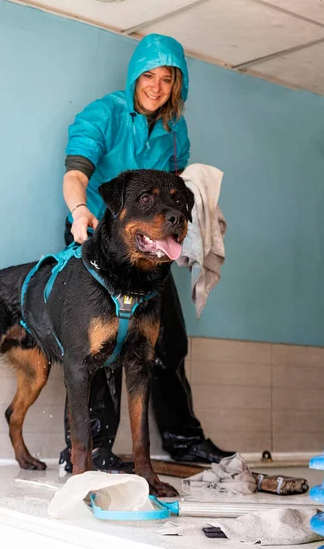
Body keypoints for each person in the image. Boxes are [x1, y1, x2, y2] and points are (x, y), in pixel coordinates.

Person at [59, 33, 233, 471]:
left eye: (168, 79)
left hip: (151, 251)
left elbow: (176, 192)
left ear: (179, 85)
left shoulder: (177, 132)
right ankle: (91, 447)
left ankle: (182, 439)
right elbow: (76, 173)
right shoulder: (104, 113)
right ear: (135, 76)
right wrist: (80, 211)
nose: (156, 86)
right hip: (97, 241)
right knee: (96, 350)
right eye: (149, 76)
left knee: (168, 342)